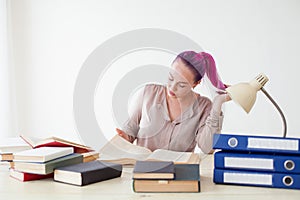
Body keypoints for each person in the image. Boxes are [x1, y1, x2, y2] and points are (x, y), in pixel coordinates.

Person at [116, 51, 230, 154]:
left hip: (179, 174)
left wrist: (217, 104)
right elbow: (130, 132)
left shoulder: (203, 107)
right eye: (170, 78)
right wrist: (124, 138)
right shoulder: (148, 93)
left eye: (181, 85)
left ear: (195, 84)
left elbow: (208, 148)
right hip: (143, 171)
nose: (172, 87)